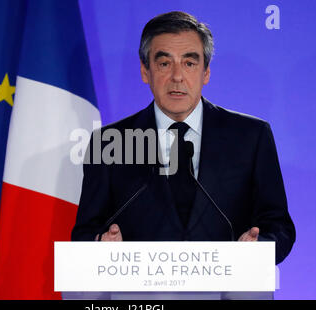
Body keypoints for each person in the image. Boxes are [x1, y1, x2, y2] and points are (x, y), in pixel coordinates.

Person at [71, 11, 295, 265]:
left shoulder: (251, 137)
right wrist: (99, 244)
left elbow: (279, 227)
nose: (177, 76)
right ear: (145, 71)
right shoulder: (110, 142)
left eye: (189, 63)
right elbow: (84, 233)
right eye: (165, 63)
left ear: (206, 73)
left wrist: (260, 248)